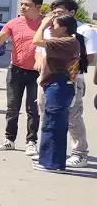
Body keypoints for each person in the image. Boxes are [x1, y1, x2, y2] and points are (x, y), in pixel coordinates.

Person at [36, 0, 96, 167]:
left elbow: (91, 56)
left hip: (70, 79)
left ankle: (79, 153)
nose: (55, 16)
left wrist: (67, 62)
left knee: (72, 116)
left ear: (72, 13)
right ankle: (49, 152)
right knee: (48, 116)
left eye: (60, 13)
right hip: (47, 78)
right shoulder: (51, 29)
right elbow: (40, 48)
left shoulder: (83, 31)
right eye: (53, 13)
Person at [0, 0, 44, 155]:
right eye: (22, 4)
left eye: (27, 5)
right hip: (16, 71)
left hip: (37, 73)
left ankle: (31, 141)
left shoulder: (45, 25)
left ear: (38, 7)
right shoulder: (14, 23)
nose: (23, 7)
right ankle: (9, 140)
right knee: (12, 108)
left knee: (33, 109)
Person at [32, 13, 85, 172]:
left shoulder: (67, 41)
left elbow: (36, 41)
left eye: (54, 26)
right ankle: (48, 160)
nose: (50, 28)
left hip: (59, 85)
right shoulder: (68, 40)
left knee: (53, 125)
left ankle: (53, 163)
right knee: (52, 123)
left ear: (63, 28)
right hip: (57, 84)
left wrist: (43, 24)